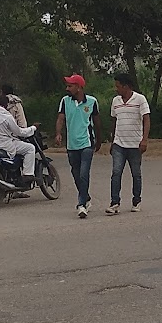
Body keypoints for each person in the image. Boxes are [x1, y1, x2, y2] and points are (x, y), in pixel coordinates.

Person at [55, 73, 101, 218]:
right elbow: (60, 119)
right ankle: (85, 197)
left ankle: (81, 204)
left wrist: (99, 140)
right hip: (71, 144)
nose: (67, 88)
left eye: (70, 86)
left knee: (83, 173)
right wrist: (58, 133)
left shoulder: (92, 102)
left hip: (86, 143)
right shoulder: (65, 101)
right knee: (75, 174)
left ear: (79, 87)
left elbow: (97, 122)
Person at [107, 72, 149, 214]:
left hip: (135, 144)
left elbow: (146, 119)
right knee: (116, 172)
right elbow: (114, 121)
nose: (116, 89)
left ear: (126, 87)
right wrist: (112, 141)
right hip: (119, 143)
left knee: (136, 173)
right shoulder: (116, 101)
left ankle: (136, 200)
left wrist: (144, 139)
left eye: (118, 86)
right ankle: (114, 202)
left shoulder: (140, 99)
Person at [0, 93, 37, 181]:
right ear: (6, 105)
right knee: (30, 148)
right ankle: (27, 175)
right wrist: (33, 128)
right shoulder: (6, 116)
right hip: (6, 146)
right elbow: (19, 132)